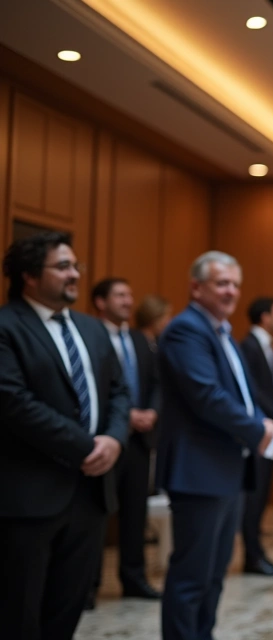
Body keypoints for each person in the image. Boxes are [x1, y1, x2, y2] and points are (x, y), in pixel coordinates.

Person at [0, 232, 130, 640]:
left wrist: (114, 439)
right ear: (29, 276)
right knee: (19, 613)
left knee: (69, 608)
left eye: (76, 266)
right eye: (63, 266)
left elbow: (119, 392)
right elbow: (13, 401)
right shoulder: (6, 327)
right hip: (29, 497)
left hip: (90, 494)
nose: (75, 274)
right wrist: (86, 446)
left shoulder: (92, 329)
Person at [157, 251, 273, 640]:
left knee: (214, 575)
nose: (231, 292)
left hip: (227, 469)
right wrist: (256, 430)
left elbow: (243, 393)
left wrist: (261, 419)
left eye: (235, 285)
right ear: (196, 287)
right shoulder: (186, 330)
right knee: (192, 577)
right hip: (198, 471)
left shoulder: (222, 331)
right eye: (221, 283)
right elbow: (206, 395)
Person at [92, 277, 162, 600]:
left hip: (139, 442)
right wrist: (125, 416)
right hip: (103, 438)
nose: (127, 300)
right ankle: (88, 586)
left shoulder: (140, 339)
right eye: (120, 295)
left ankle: (133, 578)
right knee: (96, 515)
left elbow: (157, 381)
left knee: (136, 513)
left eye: (130, 294)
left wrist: (152, 412)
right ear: (100, 302)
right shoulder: (89, 336)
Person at [238, 296, 273, 577]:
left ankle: (256, 554)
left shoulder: (267, 347)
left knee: (262, 495)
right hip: (262, 430)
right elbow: (255, 391)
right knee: (254, 498)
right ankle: (252, 556)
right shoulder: (250, 346)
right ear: (265, 317)